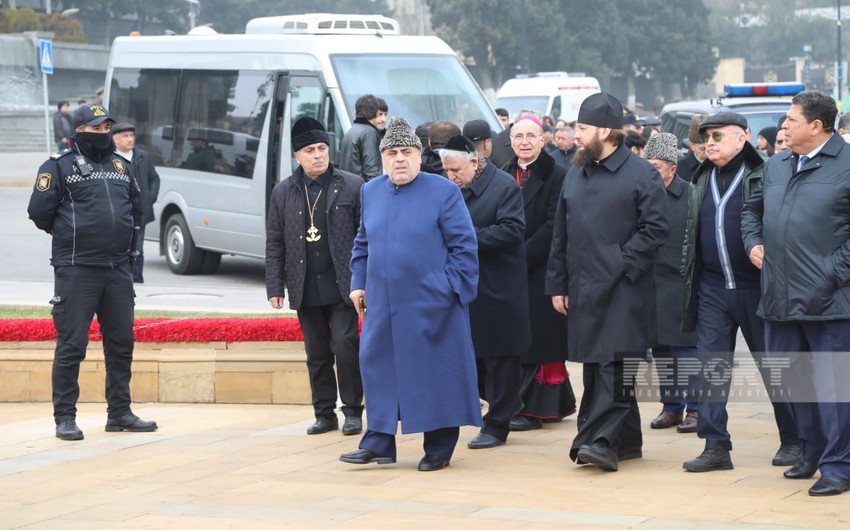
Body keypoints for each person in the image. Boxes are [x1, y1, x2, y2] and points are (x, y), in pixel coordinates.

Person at [339, 117, 481, 472]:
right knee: (379, 370)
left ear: (419, 155)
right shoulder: (370, 191)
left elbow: (464, 246)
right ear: (383, 157)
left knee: (434, 375)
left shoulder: (443, 191)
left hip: (433, 304)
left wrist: (449, 290)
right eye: (391, 152)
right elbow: (362, 244)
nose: (398, 159)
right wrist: (358, 283)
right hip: (383, 306)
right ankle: (378, 442)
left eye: (405, 151)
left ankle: (438, 447)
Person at [546, 92, 668, 471]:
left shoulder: (641, 173)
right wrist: (557, 284)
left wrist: (621, 263)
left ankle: (598, 441)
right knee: (597, 363)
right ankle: (627, 441)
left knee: (615, 363)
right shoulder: (575, 174)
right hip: (582, 287)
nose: (575, 135)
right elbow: (560, 234)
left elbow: (656, 228)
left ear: (606, 130)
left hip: (624, 287)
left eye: (582, 128)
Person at [27, 104, 157, 441]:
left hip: (117, 268)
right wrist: (73, 233)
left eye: (106, 129)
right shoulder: (58, 167)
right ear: (80, 130)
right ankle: (65, 418)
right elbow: (40, 212)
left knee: (121, 343)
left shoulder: (120, 166)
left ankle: (120, 412)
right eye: (96, 129)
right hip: (77, 269)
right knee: (72, 345)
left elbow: (137, 206)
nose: (103, 135)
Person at [742, 90, 850, 496]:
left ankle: (839, 466)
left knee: (835, 387)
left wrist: (830, 274)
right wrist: (753, 243)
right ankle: (812, 450)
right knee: (793, 382)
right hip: (779, 296)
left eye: (790, 120)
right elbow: (751, 210)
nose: (783, 126)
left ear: (816, 127)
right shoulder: (776, 166)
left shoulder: (846, 165)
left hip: (832, 301)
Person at [680, 112, 801, 472]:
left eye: (719, 137)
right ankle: (715, 445)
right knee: (712, 368)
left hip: (757, 288)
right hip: (713, 288)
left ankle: (794, 440)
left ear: (743, 137)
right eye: (707, 138)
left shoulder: (766, 174)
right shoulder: (700, 177)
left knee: (772, 366)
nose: (711, 144)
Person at [265, 117, 365, 436]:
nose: (319, 155)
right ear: (297, 155)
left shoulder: (351, 184)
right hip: (305, 282)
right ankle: (324, 413)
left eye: (323, 148)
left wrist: (365, 279)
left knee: (345, 345)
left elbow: (366, 235)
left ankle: (352, 410)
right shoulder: (283, 191)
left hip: (342, 283)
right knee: (317, 353)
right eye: (310, 150)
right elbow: (274, 240)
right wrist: (274, 285)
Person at [439, 135, 529, 449]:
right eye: (446, 171)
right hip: (466, 287)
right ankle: (506, 404)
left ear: (474, 163)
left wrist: (467, 237)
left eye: (455, 171)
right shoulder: (451, 189)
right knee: (474, 360)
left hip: (499, 286)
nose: (450, 177)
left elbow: (512, 230)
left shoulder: (503, 186)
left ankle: (497, 425)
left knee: (501, 359)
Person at [503, 112, 575, 432]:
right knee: (516, 338)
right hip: (508, 268)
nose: (525, 143)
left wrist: (523, 255)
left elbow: (554, 224)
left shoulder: (558, 174)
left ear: (543, 140)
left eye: (531, 137)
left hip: (542, 266)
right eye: (518, 137)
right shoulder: (504, 174)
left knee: (541, 339)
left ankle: (535, 408)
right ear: (511, 142)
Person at [642, 132, 699, 433]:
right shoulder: (640, 195)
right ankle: (671, 407)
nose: (649, 171)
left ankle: (697, 409)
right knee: (661, 349)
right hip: (650, 284)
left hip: (680, 285)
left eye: (655, 166)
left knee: (686, 350)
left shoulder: (691, 195)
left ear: (672, 169)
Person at [112, 122, 160, 284]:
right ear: (115, 139)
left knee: (137, 248)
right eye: (125, 136)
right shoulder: (110, 158)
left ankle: (137, 279)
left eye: (132, 135)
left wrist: (149, 198)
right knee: (120, 247)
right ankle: (120, 281)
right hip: (118, 212)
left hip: (140, 210)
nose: (130, 139)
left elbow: (154, 178)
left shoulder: (142, 156)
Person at [338, 94, 386, 181]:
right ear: (376, 113)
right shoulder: (369, 132)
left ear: (356, 112)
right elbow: (371, 170)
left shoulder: (351, 131)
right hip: (361, 189)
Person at [677, 115, 707, 182]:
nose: (707, 153)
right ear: (692, 145)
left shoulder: (719, 165)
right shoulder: (679, 169)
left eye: (710, 147)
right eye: (703, 149)